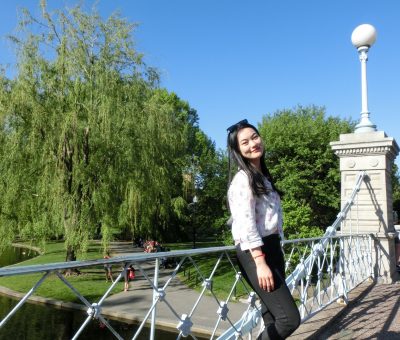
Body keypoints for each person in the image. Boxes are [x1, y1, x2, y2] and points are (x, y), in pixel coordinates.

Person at [226, 119, 300, 339]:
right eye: (245, 142)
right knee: (289, 319)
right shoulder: (243, 180)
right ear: (238, 150)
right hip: (255, 251)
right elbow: (245, 222)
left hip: (272, 247)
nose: (252, 144)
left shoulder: (263, 177)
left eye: (255, 137)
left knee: (273, 316)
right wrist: (260, 261)